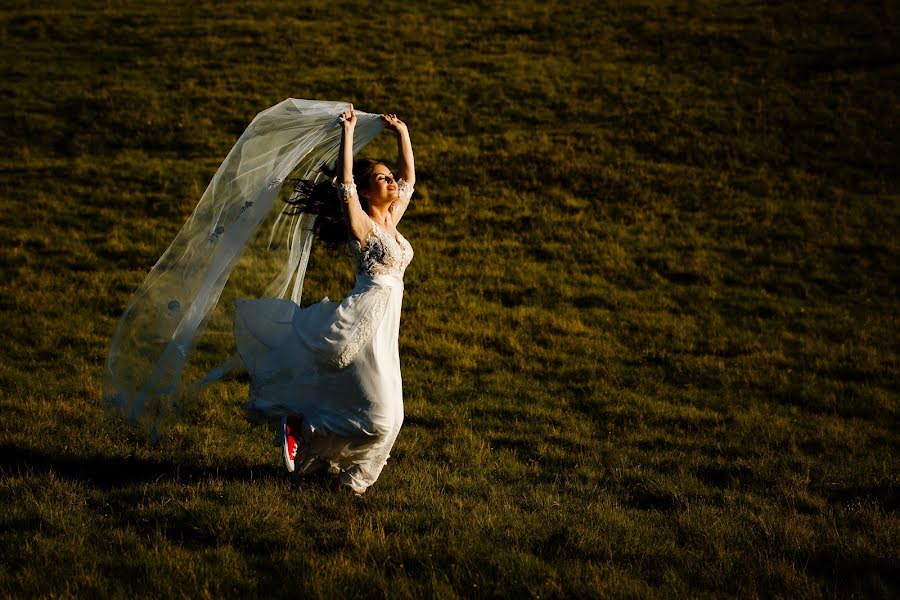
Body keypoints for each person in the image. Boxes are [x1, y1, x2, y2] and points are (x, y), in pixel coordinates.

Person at [232, 106, 415, 495]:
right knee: (382, 416)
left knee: (392, 416)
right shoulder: (363, 226)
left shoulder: (391, 221)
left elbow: (410, 178)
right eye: (382, 178)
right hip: (361, 320)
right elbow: (345, 185)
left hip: (387, 325)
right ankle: (304, 428)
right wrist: (348, 134)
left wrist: (402, 133)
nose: (391, 181)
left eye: (389, 176)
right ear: (368, 192)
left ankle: (349, 485)